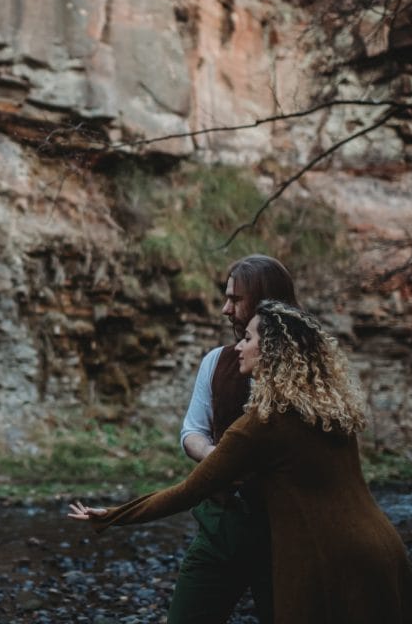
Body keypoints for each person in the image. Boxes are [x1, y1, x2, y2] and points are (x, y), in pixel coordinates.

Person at [69, 301, 412, 624]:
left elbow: (189, 491)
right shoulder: (328, 411)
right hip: (382, 550)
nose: (238, 346)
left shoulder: (262, 424)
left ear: (270, 349)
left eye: (248, 338)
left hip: (330, 562)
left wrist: (113, 515)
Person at [173, 254, 298, 624]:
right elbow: (191, 431)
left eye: (236, 299)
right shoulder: (215, 362)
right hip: (220, 525)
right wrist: (218, 455)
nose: (226, 309)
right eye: (226, 297)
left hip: (287, 533)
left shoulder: (310, 373)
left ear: (266, 303)